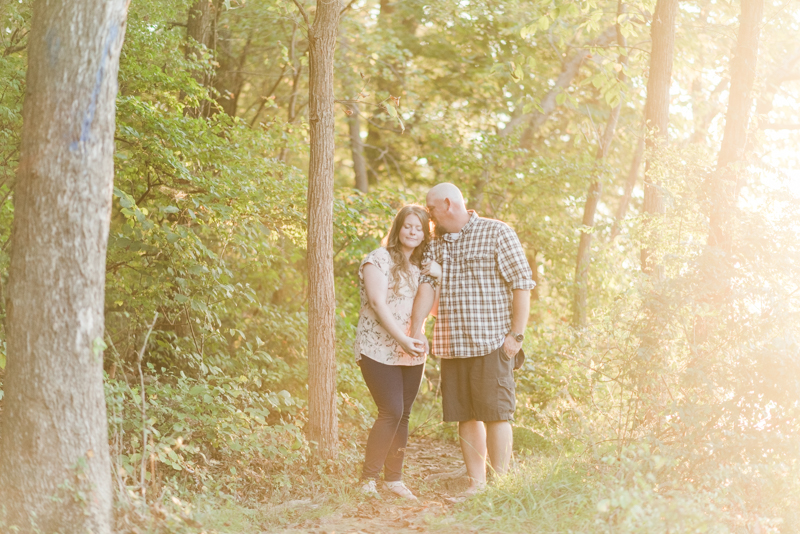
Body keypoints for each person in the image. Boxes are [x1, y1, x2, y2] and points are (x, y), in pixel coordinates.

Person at [410, 183, 535, 498]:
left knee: (496, 413)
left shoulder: (497, 233)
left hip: (492, 341)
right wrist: (417, 328)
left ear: (448, 204)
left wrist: (516, 336)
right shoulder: (436, 245)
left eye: (430, 208)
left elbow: (522, 283)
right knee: (464, 414)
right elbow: (426, 286)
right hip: (452, 345)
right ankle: (476, 485)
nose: (428, 214)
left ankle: (500, 486)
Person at [354, 205, 441, 500]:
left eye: (419, 228)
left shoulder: (421, 268)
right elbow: (378, 304)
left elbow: (434, 310)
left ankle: (394, 480)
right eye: (408, 226)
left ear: (425, 234)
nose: (413, 232)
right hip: (377, 347)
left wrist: (437, 277)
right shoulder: (377, 260)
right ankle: (367, 479)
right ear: (398, 228)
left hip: (412, 347)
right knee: (391, 411)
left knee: (403, 416)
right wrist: (401, 339)